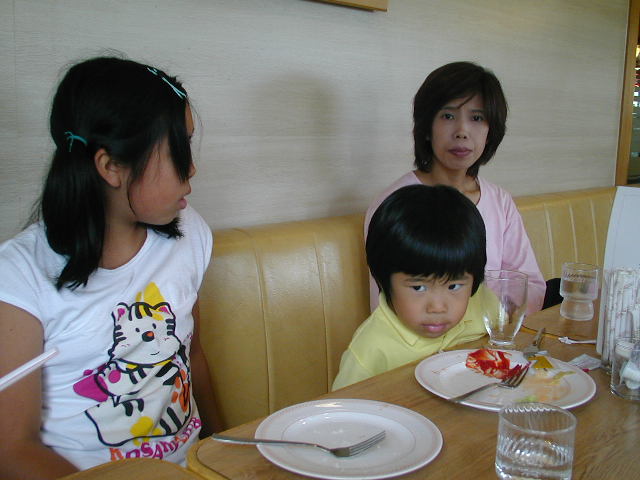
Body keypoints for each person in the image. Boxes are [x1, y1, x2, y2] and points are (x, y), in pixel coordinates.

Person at [0, 56, 221, 479]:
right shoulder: (18, 278)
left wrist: (221, 450)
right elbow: (12, 450)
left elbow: (192, 354)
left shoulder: (189, 233)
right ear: (111, 167)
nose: (192, 168)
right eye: (178, 148)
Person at [365, 61, 545, 315]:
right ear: (427, 128)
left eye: (477, 118)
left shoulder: (500, 201)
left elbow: (531, 288)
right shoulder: (394, 203)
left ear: (490, 131)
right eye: (448, 116)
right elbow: (385, 306)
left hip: (494, 335)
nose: (462, 131)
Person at [333, 184, 493, 390]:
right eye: (418, 288)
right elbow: (344, 406)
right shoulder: (370, 350)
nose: (437, 307)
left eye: (454, 286)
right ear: (384, 280)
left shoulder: (484, 306)